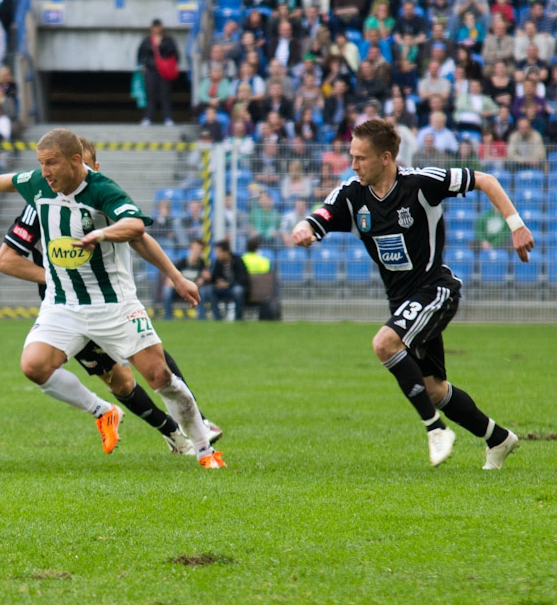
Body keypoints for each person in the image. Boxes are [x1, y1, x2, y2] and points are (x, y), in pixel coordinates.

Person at [0, 128, 224, 468]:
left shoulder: (104, 190)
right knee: (34, 366)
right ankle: (103, 411)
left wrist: (172, 275)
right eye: (42, 164)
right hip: (63, 305)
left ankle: (205, 450)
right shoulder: (38, 183)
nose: (45, 172)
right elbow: (10, 181)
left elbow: (136, 230)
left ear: (78, 162)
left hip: (113, 304)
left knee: (159, 376)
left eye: (51, 164)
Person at [291, 118, 532, 469]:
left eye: (361, 158)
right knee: (434, 389)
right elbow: (322, 215)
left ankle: (436, 429)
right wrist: (304, 227)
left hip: (436, 289)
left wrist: (516, 225)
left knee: (384, 344)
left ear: (386, 157)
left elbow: (485, 180)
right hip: (402, 301)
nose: (353, 164)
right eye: (351, 156)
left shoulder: (420, 183)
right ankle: (498, 439)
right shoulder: (352, 193)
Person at [136, 19, 179, 126]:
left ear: (161, 27)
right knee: (150, 95)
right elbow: (140, 55)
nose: (156, 29)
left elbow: (175, 54)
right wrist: (143, 66)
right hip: (151, 70)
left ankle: (168, 118)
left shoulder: (168, 40)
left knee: (165, 95)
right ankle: (148, 118)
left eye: (158, 26)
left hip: (164, 71)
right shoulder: (146, 41)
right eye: (154, 26)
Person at [204, 239, 249, 321]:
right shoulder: (218, 262)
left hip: (233, 288)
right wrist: (211, 279)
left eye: (218, 252)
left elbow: (242, 279)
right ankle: (218, 318)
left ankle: (238, 318)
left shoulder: (238, 260)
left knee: (238, 291)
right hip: (222, 290)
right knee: (209, 290)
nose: (216, 255)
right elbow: (215, 278)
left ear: (226, 252)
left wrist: (228, 284)